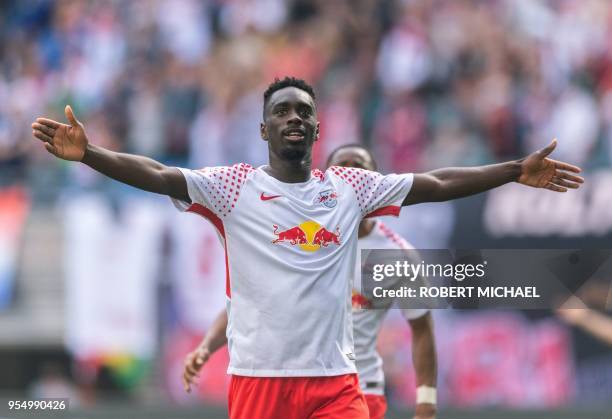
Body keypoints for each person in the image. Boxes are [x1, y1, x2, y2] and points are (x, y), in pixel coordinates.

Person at [32, 76, 583, 419]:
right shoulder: (232, 187)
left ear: (317, 130)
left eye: (303, 111)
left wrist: (513, 170)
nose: (294, 117)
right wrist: (91, 156)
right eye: (282, 111)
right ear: (263, 129)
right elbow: (156, 173)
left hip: (335, 386)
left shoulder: (351, 188)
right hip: (258, 384)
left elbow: (435, 183)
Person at [183, 145, 438, 419]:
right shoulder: (303, 238)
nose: (351, 173)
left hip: (360, 386)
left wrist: (426, 399)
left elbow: (422, 326)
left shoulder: (398, 254)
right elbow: (249, 303)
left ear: (375, 181)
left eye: (359, 168)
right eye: (343, 167)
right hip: (295, 382)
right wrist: (206, 346)